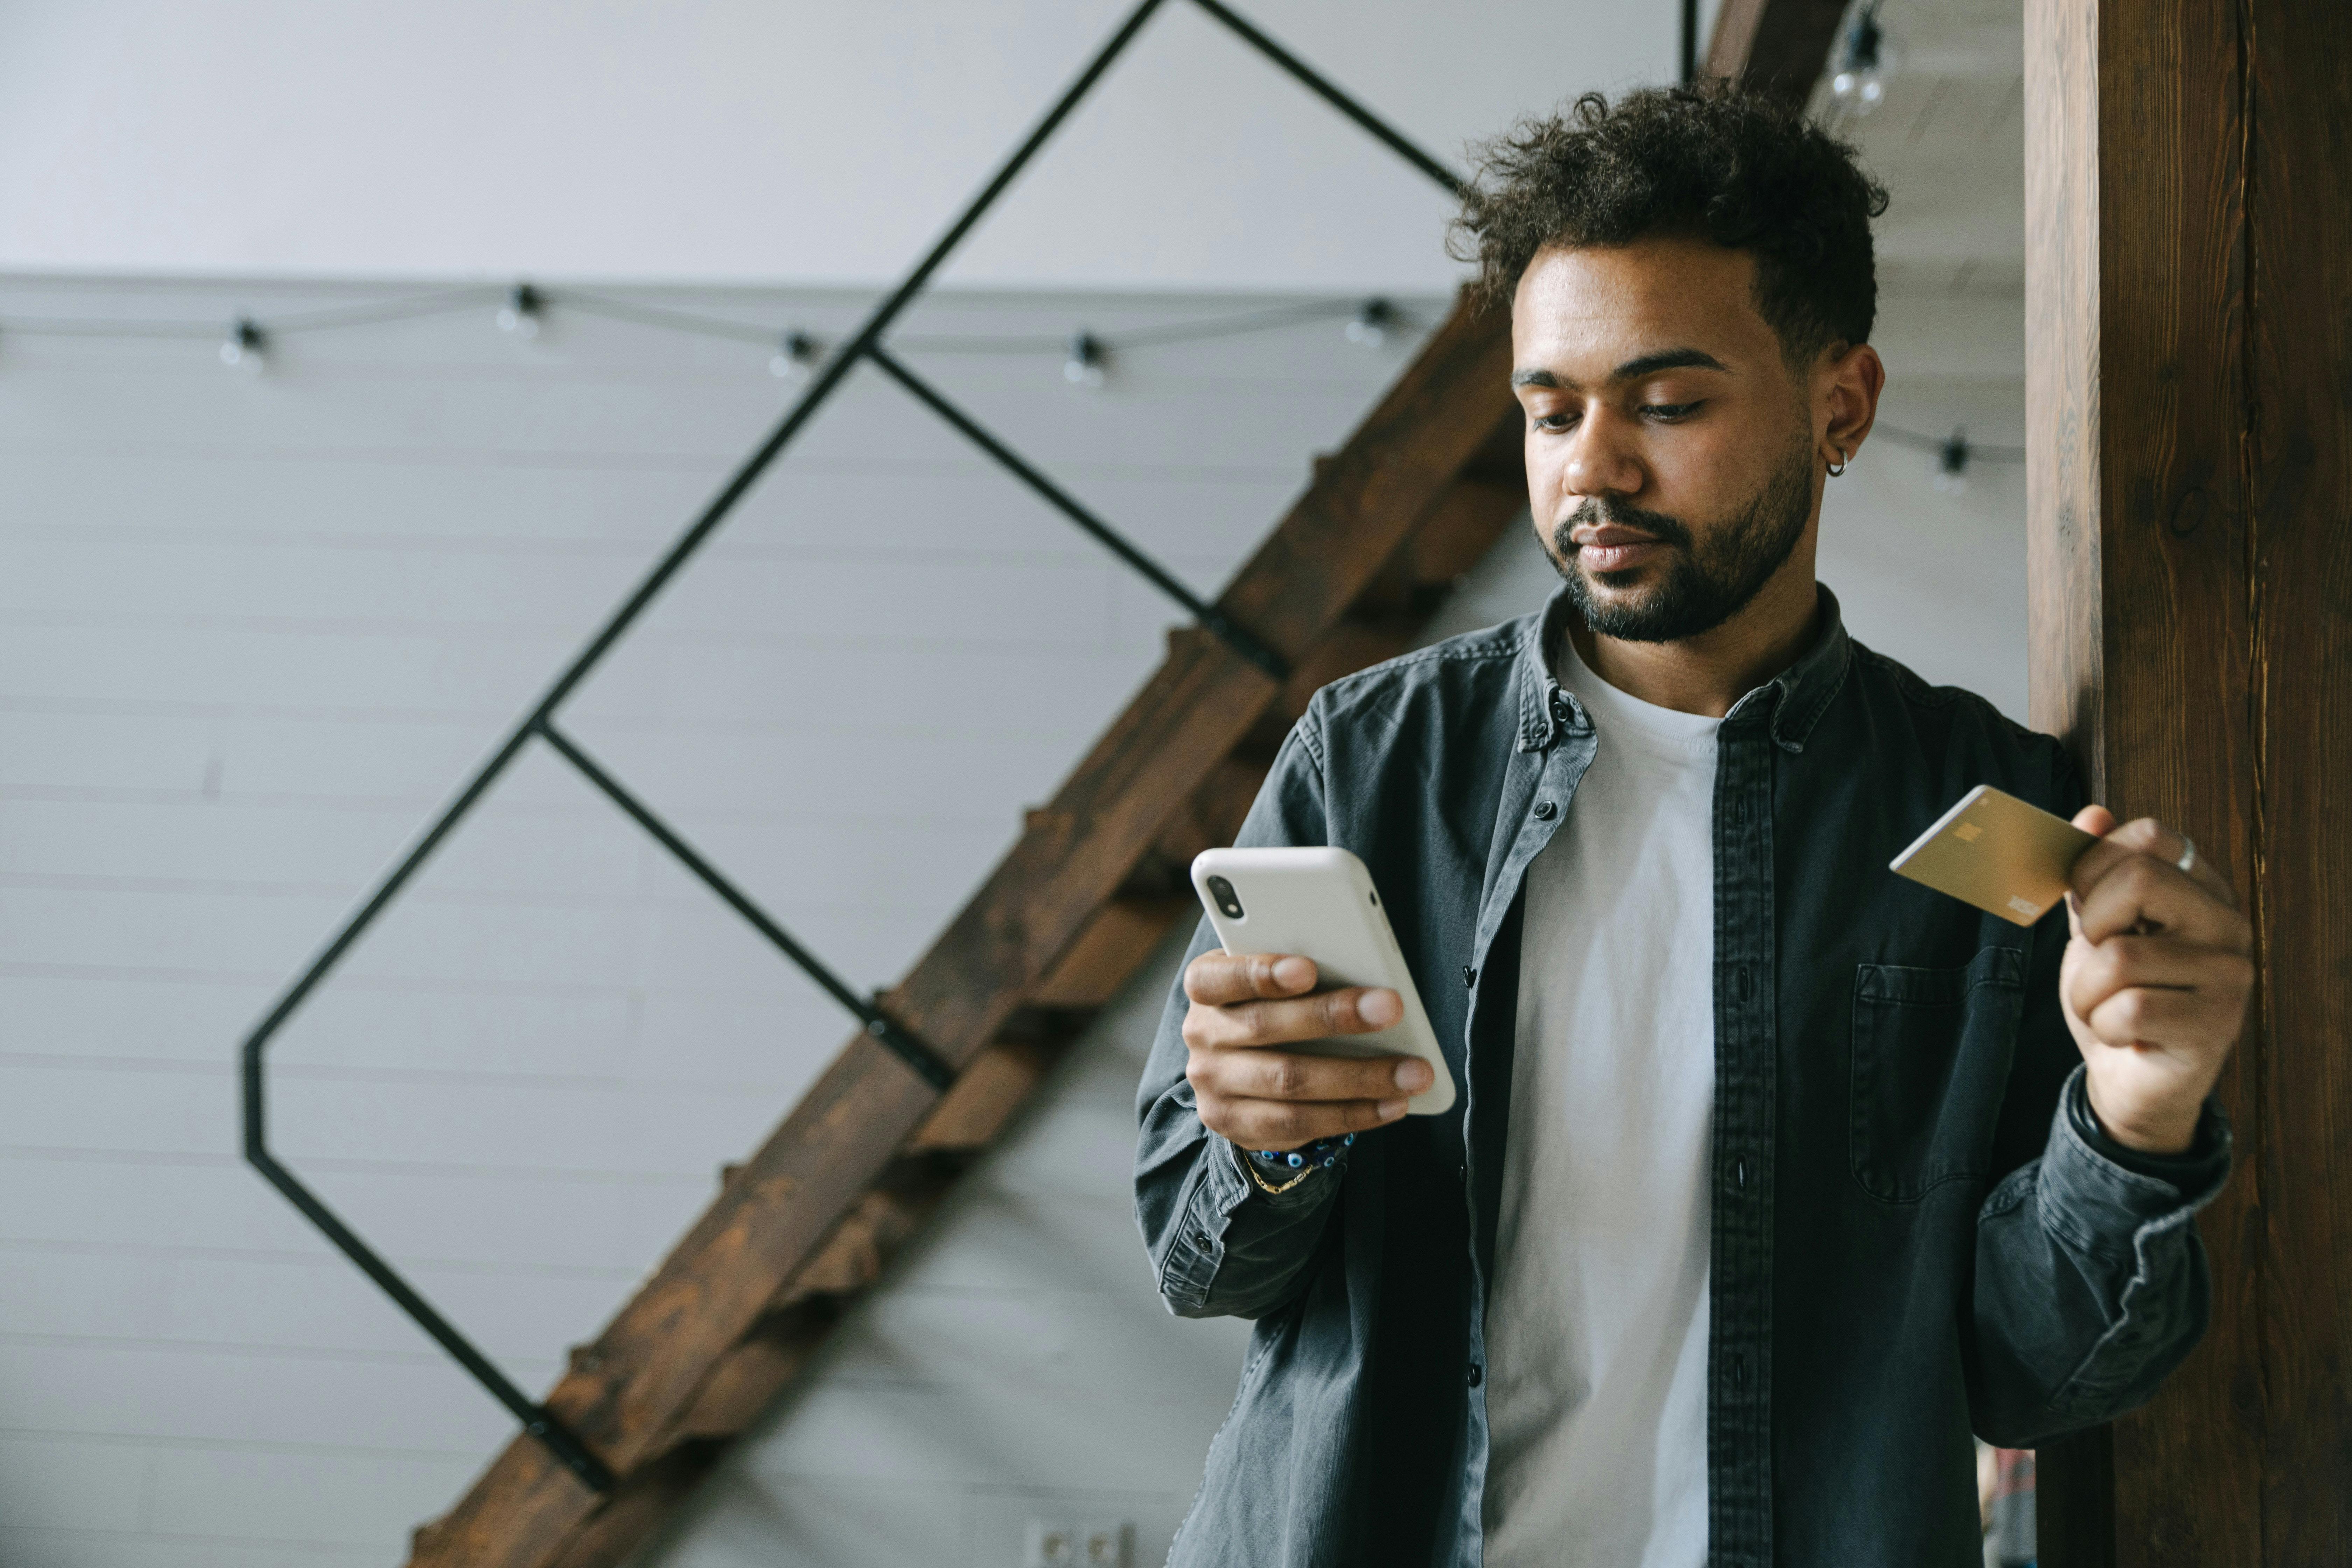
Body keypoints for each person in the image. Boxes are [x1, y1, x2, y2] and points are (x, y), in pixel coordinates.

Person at [1133, 83, 2249, 1567]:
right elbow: (1200, 1257)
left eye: (1666, 404)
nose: (1593, 466)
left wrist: (2141, 1115)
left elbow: (2030, 1373)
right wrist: (1260, 1142)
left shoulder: (1996, 808)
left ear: (1839, 403)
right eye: (1551, 411)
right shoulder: (1374, 761)